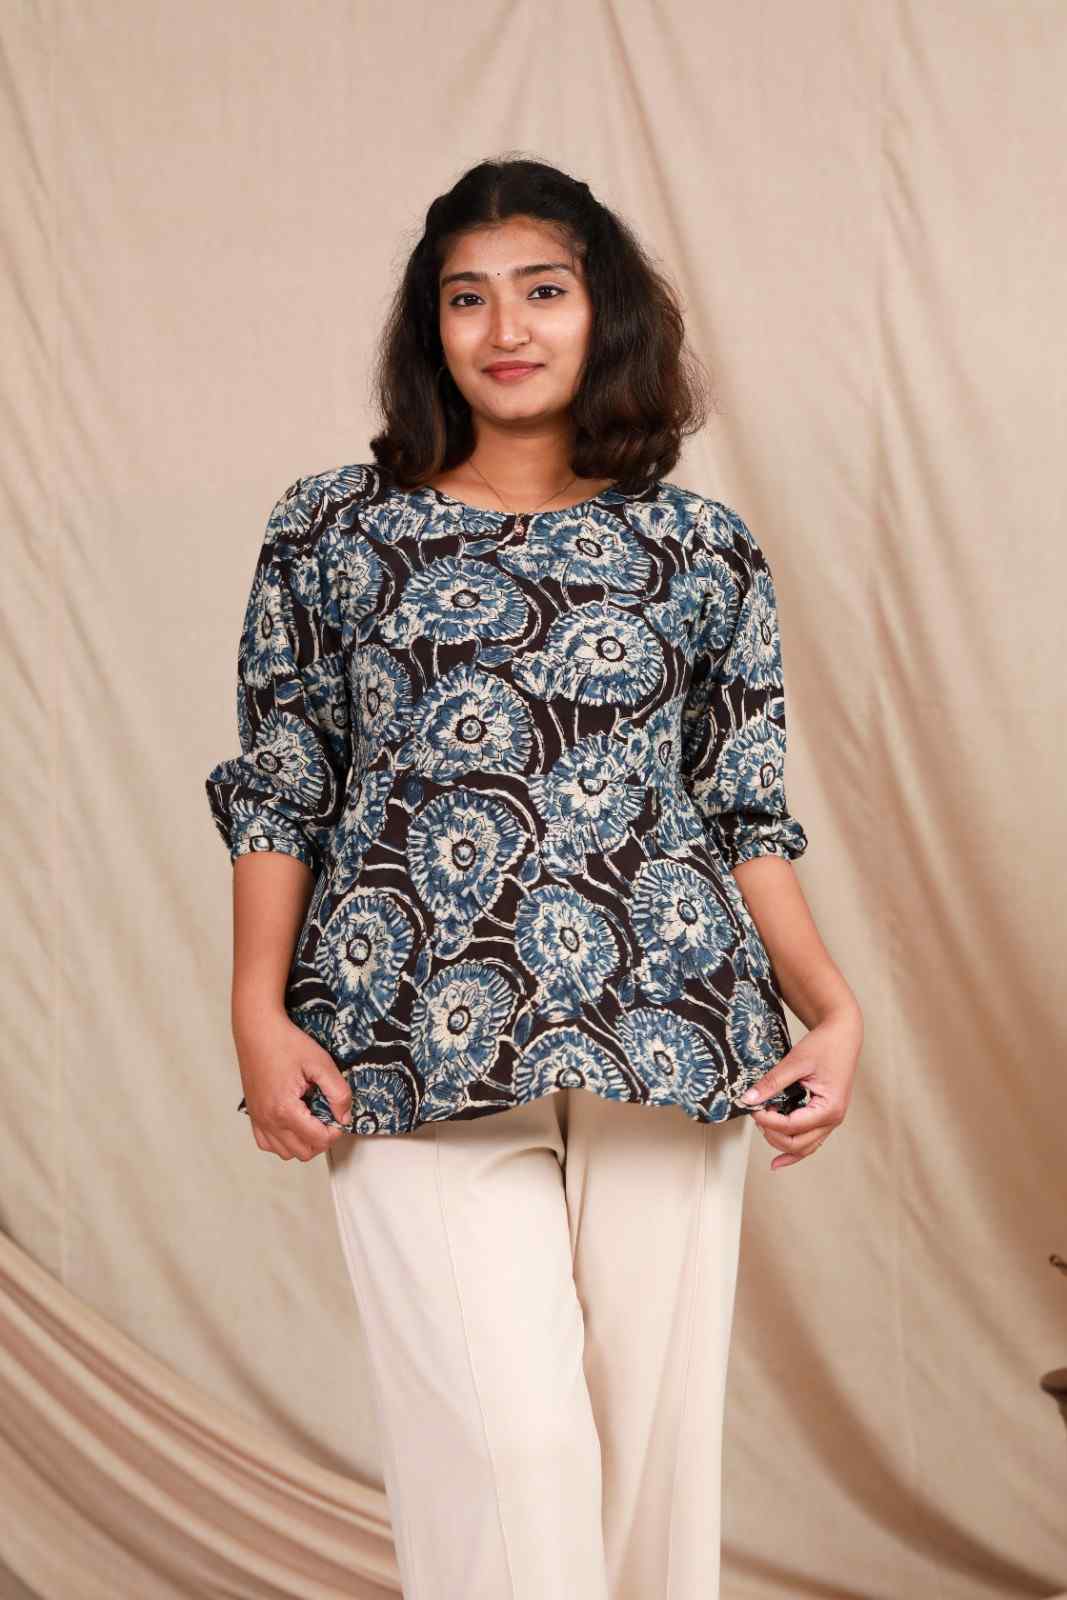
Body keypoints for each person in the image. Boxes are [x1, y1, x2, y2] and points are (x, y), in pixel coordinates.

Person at [204, 156, 862, 1600]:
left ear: (602, 311)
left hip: (671, 1029)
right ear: (428, 327)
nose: (506, 328)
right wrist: (257, 1006)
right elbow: (285, 776)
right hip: (405, 1030)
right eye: (467, 298)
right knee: (513, 1459)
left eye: (544, 291)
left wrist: (830, 1006)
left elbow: (741, 804)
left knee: (648, 1477)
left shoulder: (699, 547)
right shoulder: (332, 529)